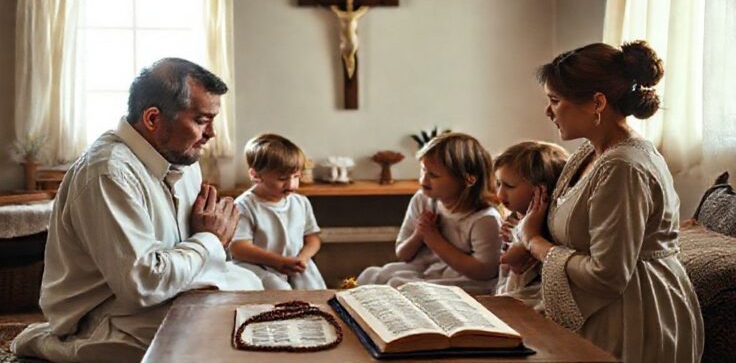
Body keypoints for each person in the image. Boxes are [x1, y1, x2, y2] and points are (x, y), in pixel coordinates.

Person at [12, 58, 263, 363]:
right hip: (104, 312)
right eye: (200, 120)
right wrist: (210, 240)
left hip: (164, 296)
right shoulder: (108, 173)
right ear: (153, 119)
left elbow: (188, 257)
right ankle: (52, 343)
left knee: (252, 290)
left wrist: (215, 238)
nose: (211, 133)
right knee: (204, 341)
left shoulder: (182, 160)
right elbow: (143, 284)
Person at [516, 41, 704, 362]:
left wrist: (534, 243)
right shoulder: (592, 152)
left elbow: (607, 275)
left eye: (555, 101)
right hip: (610, 305)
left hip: (636, 316)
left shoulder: (623, 167)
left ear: (596, 103)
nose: (548, 111)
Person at [357, 132, 502, 294]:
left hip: (466, 279)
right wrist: (420, 234)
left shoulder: (484, 219)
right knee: (370, 275)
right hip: (427, 269)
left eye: (433, 175)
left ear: (468, 179)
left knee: (399, 284)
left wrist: (434, 239)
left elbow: (485, 272)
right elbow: (403, 253)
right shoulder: (423, 200)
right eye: (423, 171)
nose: (423, 181)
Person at [229, 134, 327, 290]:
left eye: (296, 177)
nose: (292, 185)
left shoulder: (300, 202)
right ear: (256, 175)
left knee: (315, 291)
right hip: (257, 268)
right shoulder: (244, 206)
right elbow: (238, 247)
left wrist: (302, 259)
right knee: (279, 290)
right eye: (282, 179)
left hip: (292, 264)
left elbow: (312, 239)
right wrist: (278, 261)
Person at [493, 141, 568, 311]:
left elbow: (509, 262)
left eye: (509, 186)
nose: (499, 194)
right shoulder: (513, 218)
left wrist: (517, 243)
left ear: (540, 191)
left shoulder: (548, 228)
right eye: (498, 184)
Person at [330, 0, 369, 79]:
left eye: (350, 5)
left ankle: (350, 67)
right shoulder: (346, 15)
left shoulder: (353, 15)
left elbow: (363, 11)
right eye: (348, 6)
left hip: (353, 39)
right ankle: (348, 66)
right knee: (346, 51)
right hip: (345, 39)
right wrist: (334, 9)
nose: (349, 7)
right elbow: (337, 12)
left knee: (351, 52)